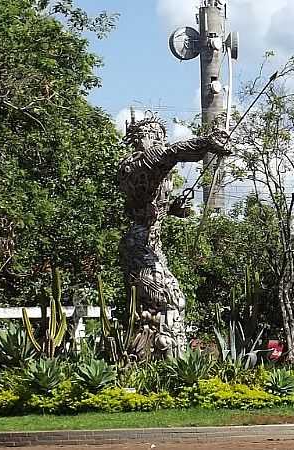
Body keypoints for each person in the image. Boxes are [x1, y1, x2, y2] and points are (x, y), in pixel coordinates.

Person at [118, 115, 228, 359]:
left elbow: (151, 201)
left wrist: (175, 207)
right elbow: (171, 153)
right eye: (151, 133)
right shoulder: (135, 164)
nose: (157, 138)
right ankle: (171, 360)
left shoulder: (153, 167)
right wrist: (206, 144)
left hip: (153, 245)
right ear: (137, 138)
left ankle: (158, 355)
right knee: (171, 297)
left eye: (160, 134)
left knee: (156, 306)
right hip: (139, 245)